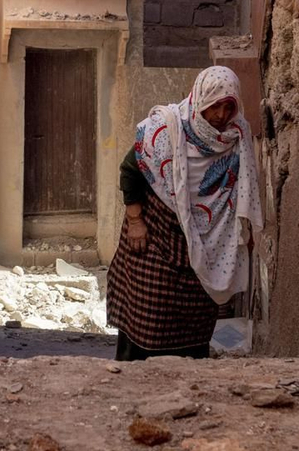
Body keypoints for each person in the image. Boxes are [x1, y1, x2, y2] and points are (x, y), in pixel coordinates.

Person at [107, 66, 264, 362]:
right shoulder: (166, 129)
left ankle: (189, 378)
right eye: (213, 105)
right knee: (149, 311)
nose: (219, 115)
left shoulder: (236, 136)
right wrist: (135, 221)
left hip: (207, 242)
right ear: (200, 99)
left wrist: (246, 232)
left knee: (196, 316)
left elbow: (244, 187)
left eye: (227, 106)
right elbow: (131, 170)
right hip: (155, 235)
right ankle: (134, 375)